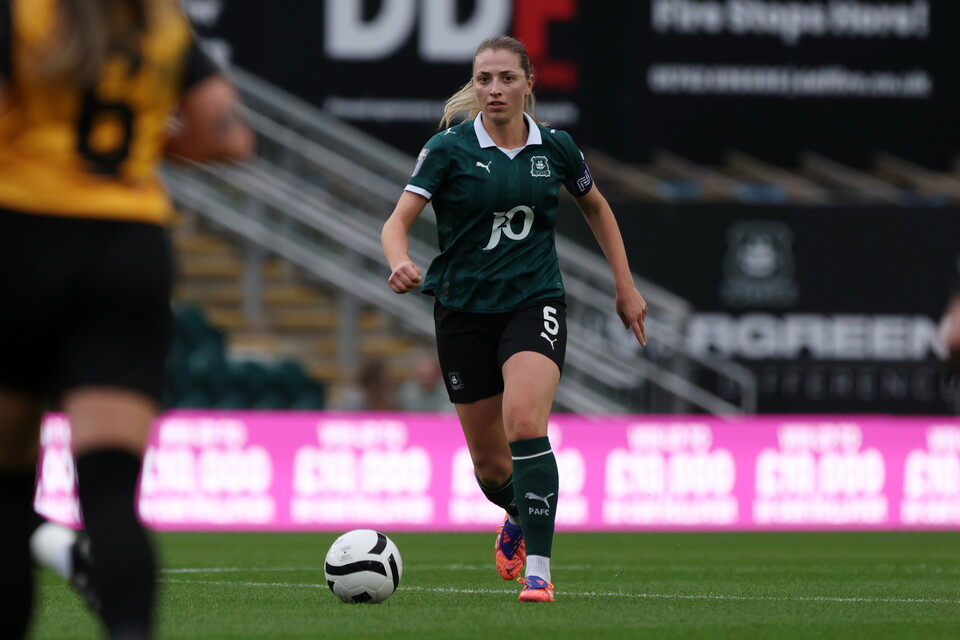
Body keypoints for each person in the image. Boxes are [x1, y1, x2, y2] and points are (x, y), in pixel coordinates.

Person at [0, 1, 253, 638]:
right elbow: (227, 134)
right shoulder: (159, 20)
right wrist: (145, 145)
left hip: (21, 238)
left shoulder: (25, 14)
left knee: (4, 494)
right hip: (128, 248)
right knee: (110, 491)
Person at [381, 35, 646, 603]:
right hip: (461, 311)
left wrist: (625, 287)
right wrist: (400, 260)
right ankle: (519, 513)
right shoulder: (448, 148)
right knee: (489, 465)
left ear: (529, 83)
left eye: (506, 78)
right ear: (473, 86)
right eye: (483, 79)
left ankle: (540, 574)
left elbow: (596, 206)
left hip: (534, 302)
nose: (494, 89)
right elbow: (396, 222)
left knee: (525, 422)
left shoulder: (557, 147)